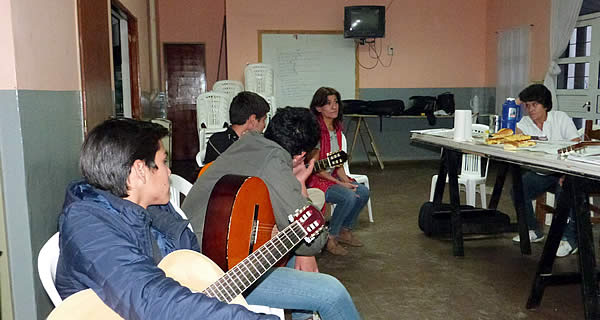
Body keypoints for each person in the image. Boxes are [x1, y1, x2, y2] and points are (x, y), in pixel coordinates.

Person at [54, 118, 275, 319]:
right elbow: (151, 298)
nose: (168, 172)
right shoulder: (85, 223)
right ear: (140, 170)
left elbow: (191, 274)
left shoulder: (158, 210)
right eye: (163, 162)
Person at [183, 107, 361, 320]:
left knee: (297, 249)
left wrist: (304, 249)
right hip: (219, 280)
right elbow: (314, 238)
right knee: (333, 293)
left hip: (190, 261)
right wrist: (300, 187)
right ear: (301, 155)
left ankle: (302, 313)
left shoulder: (247, 143)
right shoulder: (275, 163)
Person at [511, 84, 581, 257]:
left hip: (565, 171)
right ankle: (533, 230)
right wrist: (518, 100)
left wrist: (567, 173)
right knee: (518, 189)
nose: (530, 109)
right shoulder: (524, 123)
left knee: (564, 192)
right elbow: (512, 136)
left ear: (545, 105)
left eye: (535, 104)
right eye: (527, 105)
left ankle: (569, 240)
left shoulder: (560, 118)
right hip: (542, 172)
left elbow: (576, 147)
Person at [306, 87, 370, 256]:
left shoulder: (337, 127)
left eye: (336, 102)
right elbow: (316, 168)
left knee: (362, 192)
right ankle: (331, 237)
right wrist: (341, 184)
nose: (334, 107)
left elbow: (337, 162)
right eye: (328, 103)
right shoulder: (315, 131)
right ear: (319, 108)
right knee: (348, 196)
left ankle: (344, 230)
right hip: (315, 179)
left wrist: (346, 181)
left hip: (332, 176)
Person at [204, 91, 270, 164]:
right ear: (253, 120)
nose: (264, 125)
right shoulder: (219, 142)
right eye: (263, 120)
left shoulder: (254, 142)